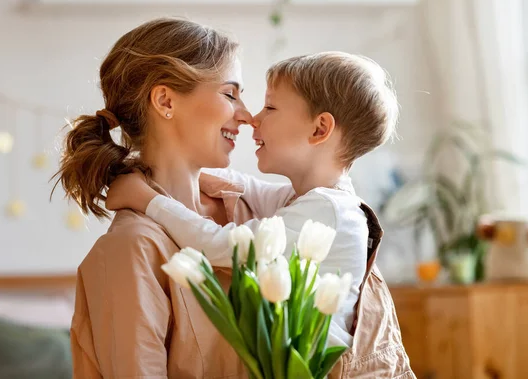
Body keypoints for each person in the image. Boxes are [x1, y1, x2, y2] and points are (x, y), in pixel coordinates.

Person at [106, 52, 415, 378]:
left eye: (270, 108)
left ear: (319, 128)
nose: (253, 118)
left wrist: (148, 199)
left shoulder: (329, 211)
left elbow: (221, 245)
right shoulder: (305, 199)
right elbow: (247, 186)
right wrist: (173, 171)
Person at [53, 17, 256, 378]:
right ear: (165, 100)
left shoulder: (249, 210)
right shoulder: (131, 249)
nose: (247, 115)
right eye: (230, 93)